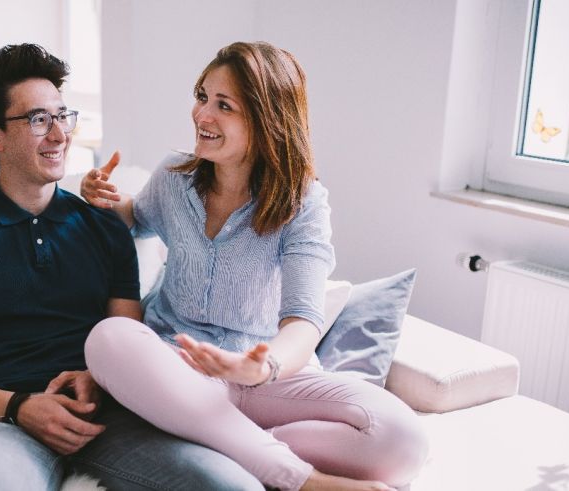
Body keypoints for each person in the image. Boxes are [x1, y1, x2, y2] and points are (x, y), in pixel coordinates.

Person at [0, 43, 264, 491]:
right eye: (37, 120)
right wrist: (19, 406)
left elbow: (127, 341)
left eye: (62, 116)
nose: (58, 135)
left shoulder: (105, 227)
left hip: (104, 417)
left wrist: (97, 380)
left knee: (231, 485)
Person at [81, 41, 429, 491]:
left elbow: (304, 320)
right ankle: (300, 479)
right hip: (178, 369)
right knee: (109, 338)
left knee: (403, 442)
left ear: (268, 120)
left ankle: (230, 444)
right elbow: (138, 219)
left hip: (267, 378)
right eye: (202, 96)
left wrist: (262, 369)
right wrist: (105, 199)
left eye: (223, 105)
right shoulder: (173, 178)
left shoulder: (303, 203)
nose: (202, 114)